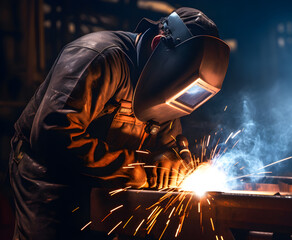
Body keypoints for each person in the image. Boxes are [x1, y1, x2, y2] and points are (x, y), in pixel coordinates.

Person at [9, 7, 229, 240]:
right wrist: (141, 170)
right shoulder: (99, 57)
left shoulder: (168, 85)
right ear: (157, 45)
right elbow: (53, 135)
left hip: (104, 183)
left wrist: (175, 162)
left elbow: (166, 143)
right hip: (49, 178)